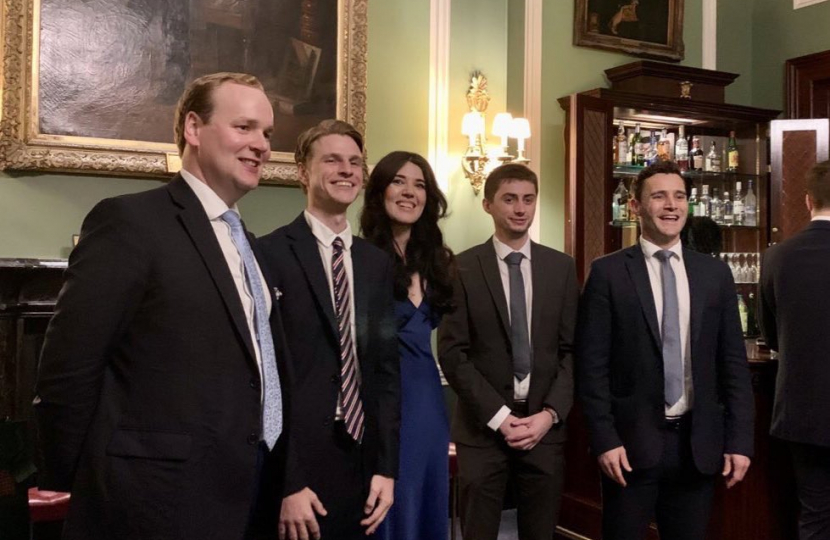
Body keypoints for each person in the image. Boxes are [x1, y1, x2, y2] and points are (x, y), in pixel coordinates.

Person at [34, 72, 289, 540]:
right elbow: (68, 369)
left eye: (268, 133)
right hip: (149, 504)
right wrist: (83, 481)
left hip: (246, 494)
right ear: (194, 128)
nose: (262, 145)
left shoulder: (248, 244)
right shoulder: (130, 222)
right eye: (245, 127)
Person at [577, 160, 755, 540]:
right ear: (636, 207)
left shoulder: (714, 274)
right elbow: (591, 367)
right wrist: (605, 439)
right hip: (629, 448)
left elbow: (733, 365)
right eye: (659, 196)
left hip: (698, 447)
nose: (671, 205)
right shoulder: (608, 273)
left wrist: (740, 441)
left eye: (679, 197)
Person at [257, 120, 400, 540]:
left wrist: (385, 468)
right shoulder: (269, 253)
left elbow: (386, 374)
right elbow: (267, 379)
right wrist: (288, 481)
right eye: (332, 160)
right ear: (303, 171)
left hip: (360, 457)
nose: (347, 170)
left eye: (355, 162)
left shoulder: (376, 264)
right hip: (297, 462)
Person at [438, 163, 578, 540]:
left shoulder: (561, 268)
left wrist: (549, 415)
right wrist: (500, 417)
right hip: (482, 431)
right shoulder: (461, 267)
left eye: (528, 199)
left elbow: (571, 351)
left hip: (544, 431)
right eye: (510, 199)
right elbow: (453, 354)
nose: (520, 209)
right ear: (487, 205)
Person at [359, 151, 456, 540]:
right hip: (381, 402)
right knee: (385, 506)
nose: (409, 192)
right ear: (380, 191)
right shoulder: (359, 258)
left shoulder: (439, 262)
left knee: (426, 502)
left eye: (419, 185)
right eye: (399, 181)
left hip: (429, 403)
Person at [759, 160, 830, 540]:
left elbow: (770, 337)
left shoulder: (777, 257)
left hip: (802, 410)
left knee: (814, 515)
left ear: (807, 201)